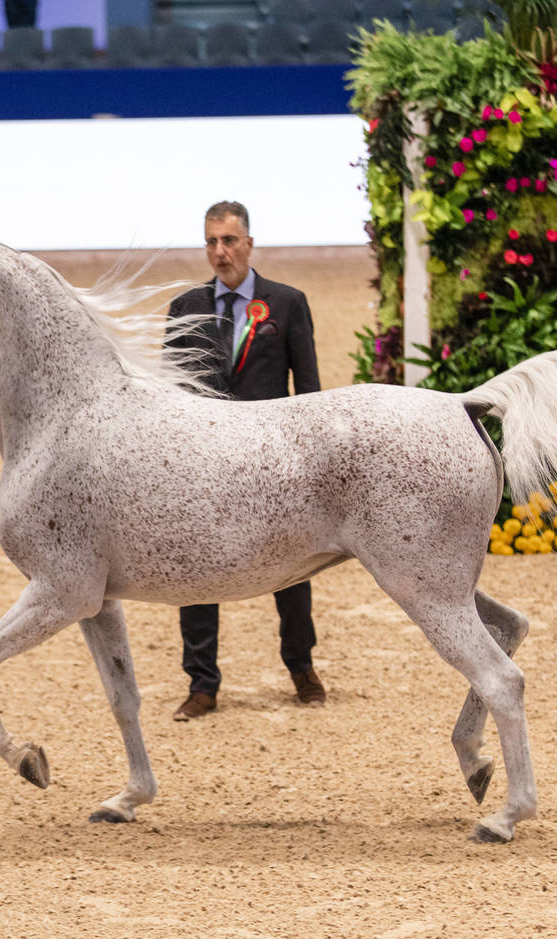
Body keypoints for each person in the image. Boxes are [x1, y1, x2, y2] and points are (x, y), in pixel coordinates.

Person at [165, 201, 325, 721]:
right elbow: (169, 394)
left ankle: (300, 665)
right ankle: (202, 683)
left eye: (229, 241)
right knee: (195, 567)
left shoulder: (288, 303)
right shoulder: (183, 307)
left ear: (249, 243)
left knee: (293, 567)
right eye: (211, 241)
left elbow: (310, 390)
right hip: (204, 463)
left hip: (272, 462)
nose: (220, 252)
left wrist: (310, 461)